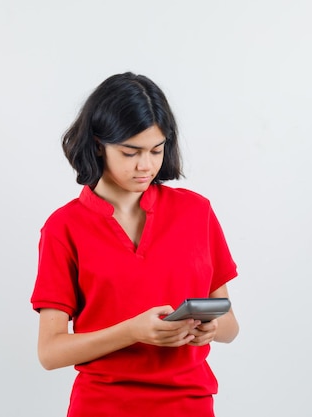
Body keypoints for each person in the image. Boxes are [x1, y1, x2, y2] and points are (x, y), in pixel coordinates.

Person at [30, 72, 239, 417]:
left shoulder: (195, 212)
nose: (146, 165)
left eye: (156, 150)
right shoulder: (63, 227)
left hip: (190, 404)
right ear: (99, 144)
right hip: (102, 407)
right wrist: (132, 332)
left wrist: (210, 328)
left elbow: (230, 325)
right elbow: (50, 352)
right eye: (131, 152)